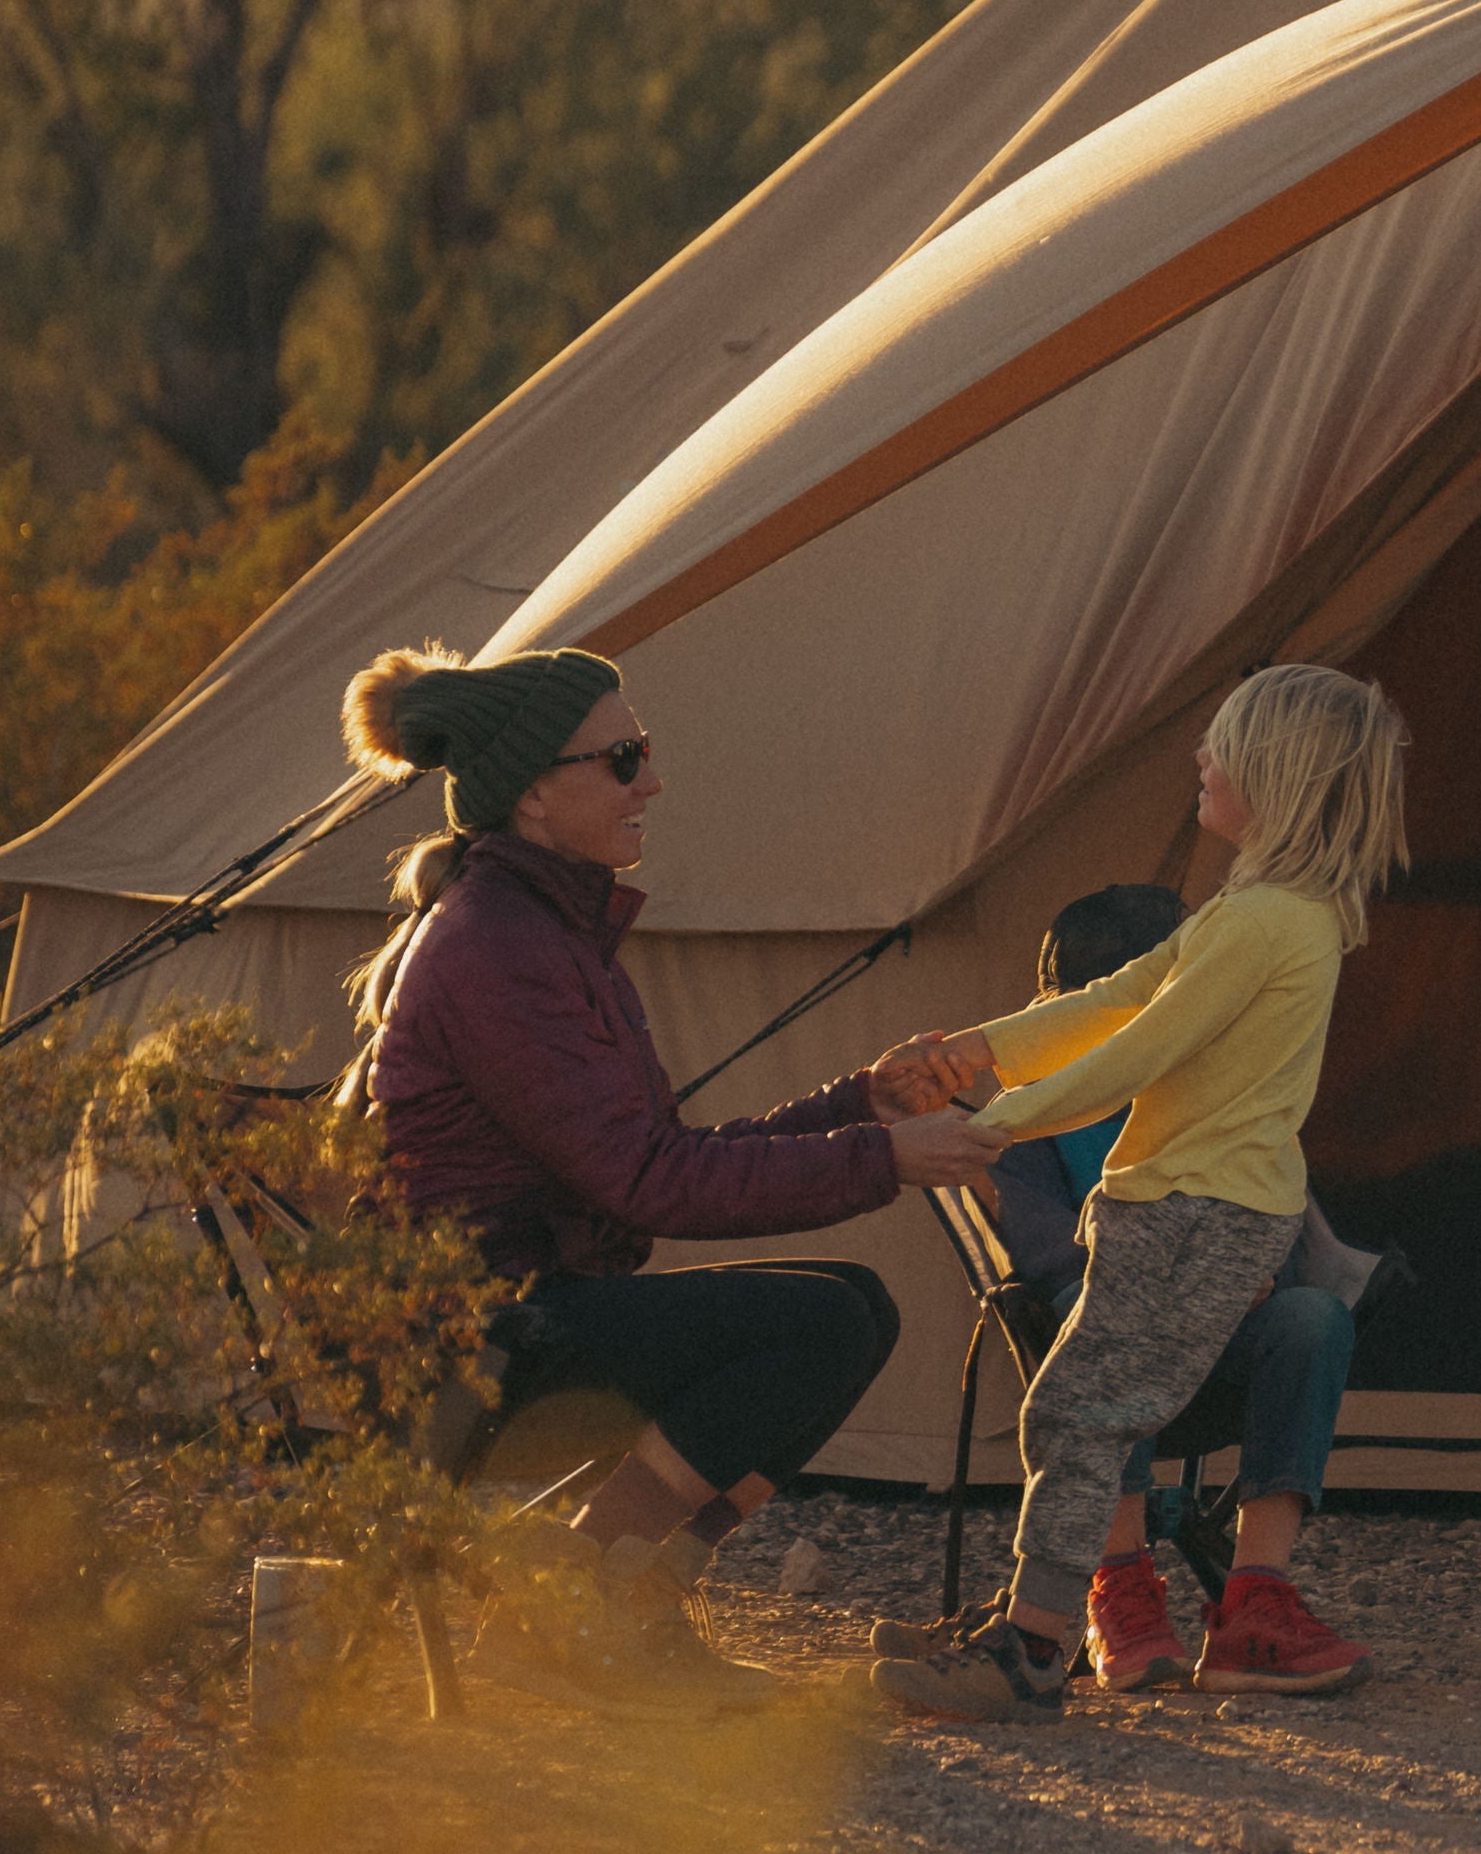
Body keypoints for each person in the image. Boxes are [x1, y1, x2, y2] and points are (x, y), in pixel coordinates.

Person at [343, 642, 1005, 1714]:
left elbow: (652, 1154)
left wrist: (858, 1109)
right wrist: (880, 1162)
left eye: (642, 753)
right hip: (470, 1342)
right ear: (535, 794)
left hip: (519, 1311)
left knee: (854, 1309)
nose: (650, 780)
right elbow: (650, 1185)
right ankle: (574, 1598)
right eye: (621, 759)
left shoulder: (544, 932)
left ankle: (614, 1591)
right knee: (815, 1328)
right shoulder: (499, 951)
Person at [882, 664, 1409, 1723]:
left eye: (1221, 745)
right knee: (1081, 1411)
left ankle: (1031, 1649)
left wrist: (986, 1127)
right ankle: (1096, 1626)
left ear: (1276, 774)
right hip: (1189, 1207)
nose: (1200, 759)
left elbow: (1140, 1047)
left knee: (1080, 1412)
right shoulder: (1256, 912)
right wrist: (976, 1051)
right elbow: (1117, 997)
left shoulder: (1265, 923)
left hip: (1192, 1212)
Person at [916, 881, 1374, 1695]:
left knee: (1312, 1317)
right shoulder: (1031, 1119)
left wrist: (1238, 1268)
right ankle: (1117, 1581)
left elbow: (1285, 1242)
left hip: (1222, 1339)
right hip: (1102, 1338)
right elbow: (1047, 1257)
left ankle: (1255, 1601)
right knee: (1095, 1307)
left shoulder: (1223, 1095)